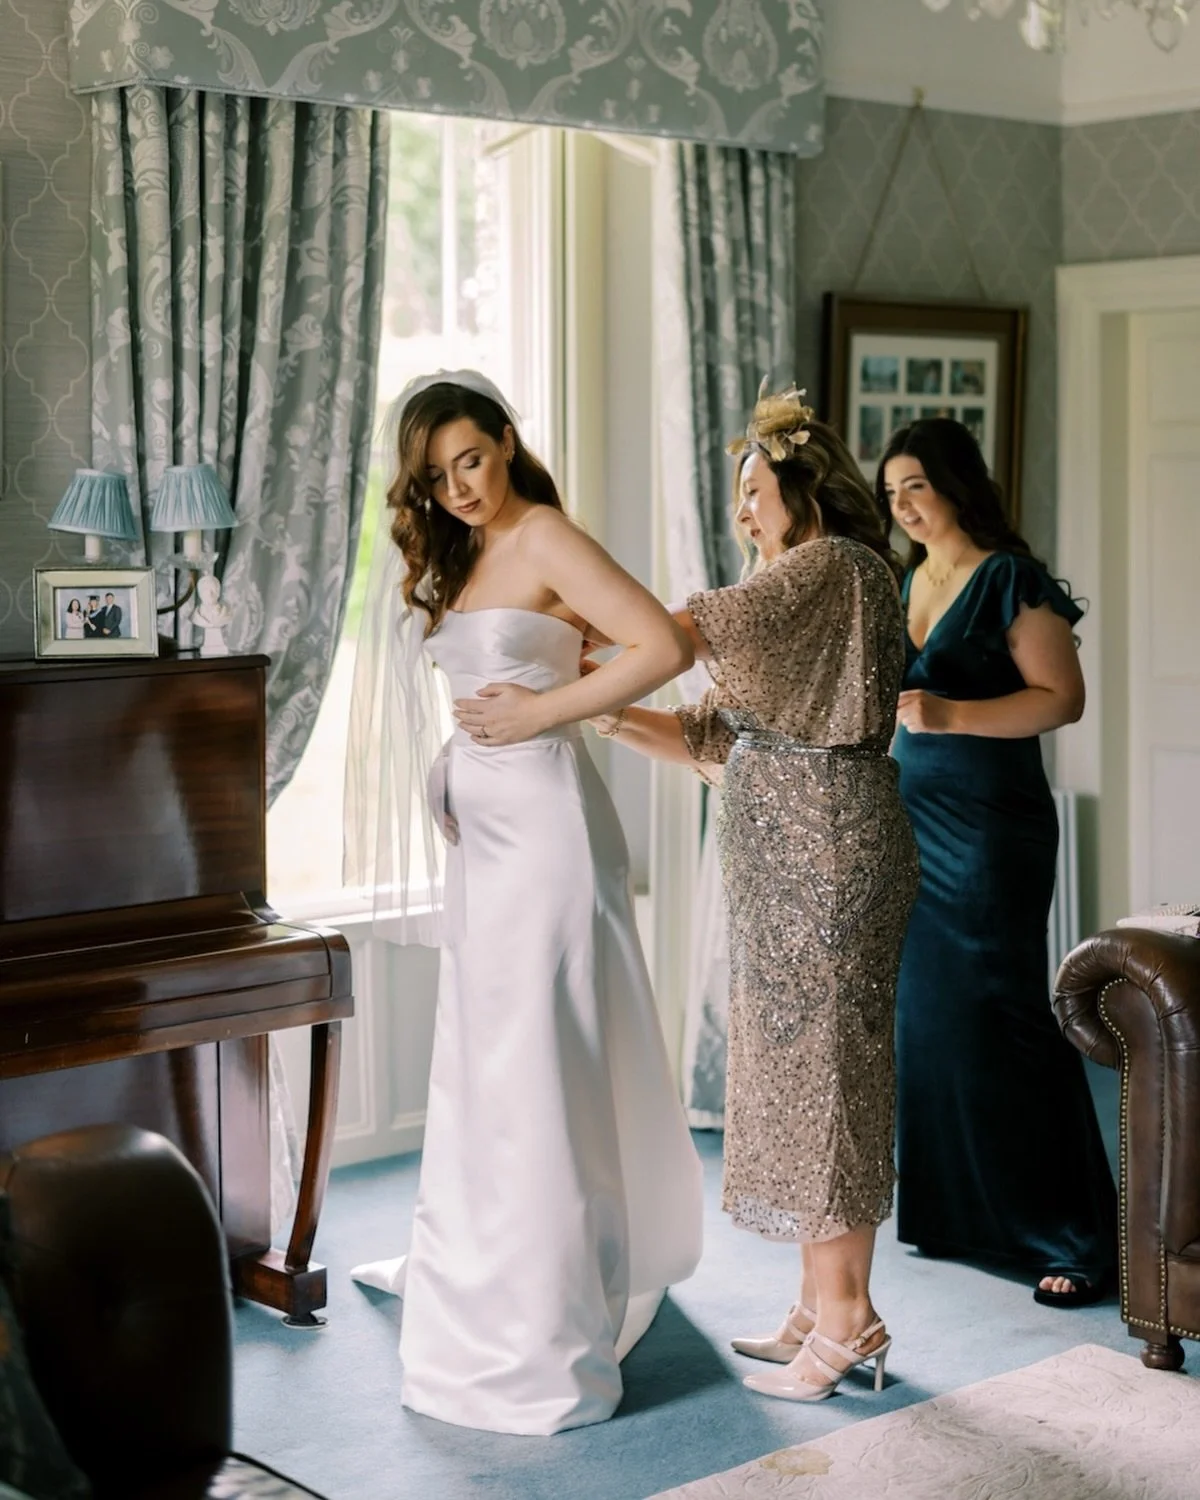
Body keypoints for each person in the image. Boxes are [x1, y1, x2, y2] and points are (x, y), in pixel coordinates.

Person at [344, 372, 704, 1436]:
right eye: (436, 473)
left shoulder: (544, 533)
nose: (458, 486)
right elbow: (474, 700)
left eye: (471, 458)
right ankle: (488, 1276)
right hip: (487, 845)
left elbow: (663, 646)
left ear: (506, 441)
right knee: (489, 1062)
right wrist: (445, 774)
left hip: (547, 837)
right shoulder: (463, 555)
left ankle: (542, 1321)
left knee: (539, 1060)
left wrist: (548, 709)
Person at [584, 385, 919, 1403]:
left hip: (825, 849)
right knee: (797, 1074)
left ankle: (852, 1319)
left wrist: (586, 652)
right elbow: (710, 736)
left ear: (804, 485)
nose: (742, 512)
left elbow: (682, 630)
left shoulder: (828, 569)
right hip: (789, 854)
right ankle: (820, 1303)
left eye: (754, 489)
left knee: (827, 1079)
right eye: (735, 495)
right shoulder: (803, 586)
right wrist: (606, 707)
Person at [877, 417, 1117, 1306]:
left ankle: (1075, 1235)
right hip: (912, 819)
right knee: (931, 1017)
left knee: (1006, 1010)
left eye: (918, 487)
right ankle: (955, 1214)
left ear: (956, 484)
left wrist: (950, 717)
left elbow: (1064, 700)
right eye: (892, 490)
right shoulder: (907, 578)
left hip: (990, 828)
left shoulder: (1009, 576)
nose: (903, 505)